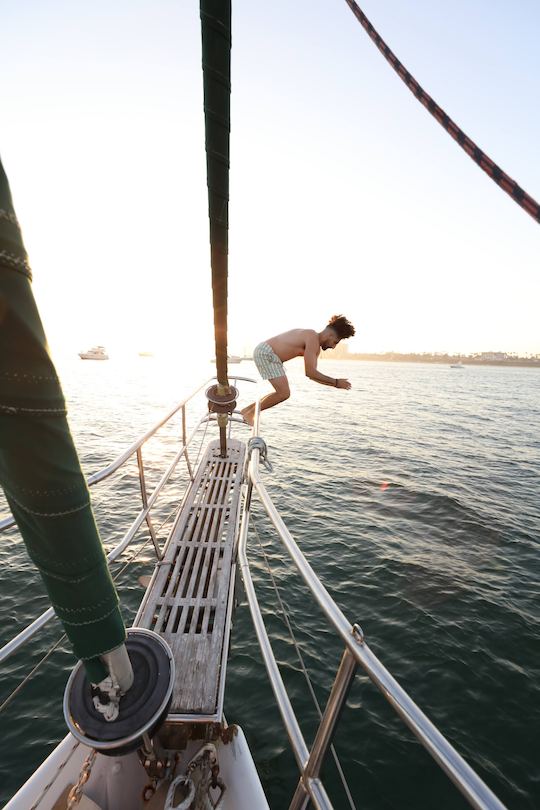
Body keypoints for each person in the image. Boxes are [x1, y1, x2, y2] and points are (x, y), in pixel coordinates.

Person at [241, 314, 355, 426]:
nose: (333, 347)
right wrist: (336, 382)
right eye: (335, 342)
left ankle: (248, 411)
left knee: (282, 393)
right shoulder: (311, 336)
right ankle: (250, 413)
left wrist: (335, 384)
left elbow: (311, 375)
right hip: (267, 353)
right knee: (283, 393)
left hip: (267, 353)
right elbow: (310, 372)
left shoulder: (314, 344)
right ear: (329, 335)